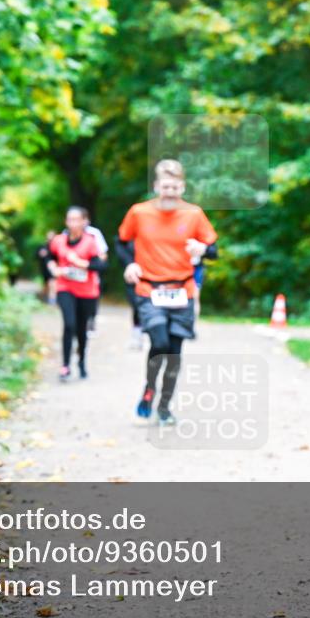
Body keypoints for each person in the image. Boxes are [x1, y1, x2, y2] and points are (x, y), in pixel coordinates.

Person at [117, 159, 218, 425]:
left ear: (182, 187)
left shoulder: (194, 214)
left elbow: (214, 251)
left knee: (174, 352)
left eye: (175, 186)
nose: (170, 191)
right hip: (149, 288)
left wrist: (203, 250)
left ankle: (164, 407)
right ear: (156, 186)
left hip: (181, 289)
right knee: (159, 343)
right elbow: (121, 242)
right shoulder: (139, 212)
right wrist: (130, 263)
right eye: (165, 186)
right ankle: (149, 390)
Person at [49, 207, 107, 381]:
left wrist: (83, 264)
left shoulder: (91, 241)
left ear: (84, 222)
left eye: (76, 220)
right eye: (70, 219)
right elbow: (48, 256)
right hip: (65, 288)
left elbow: (102, 265)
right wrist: (52, 267)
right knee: (69, 324)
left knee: (81, 329)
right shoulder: (58, 240)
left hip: (87, 291)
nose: (73, 223)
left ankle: (81, 361)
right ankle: (65, 365)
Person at [62, 209, 109, 337]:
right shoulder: (65, 234)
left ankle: (90, 322)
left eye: (78, 219)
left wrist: (87, 263)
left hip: (90, 275)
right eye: (71, 219)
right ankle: (74, 330)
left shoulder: (94, 234)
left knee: (90, 302)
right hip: (70, 277)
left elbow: (103, 255)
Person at [35, 230, 57, 304]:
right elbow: (36, 256)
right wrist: (40, 254)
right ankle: (42, 297)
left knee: (52, 283)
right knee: (46, 285)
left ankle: (52, 300)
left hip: (55, 269)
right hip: (44, 269)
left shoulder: (57, 247)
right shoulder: (42, 246)